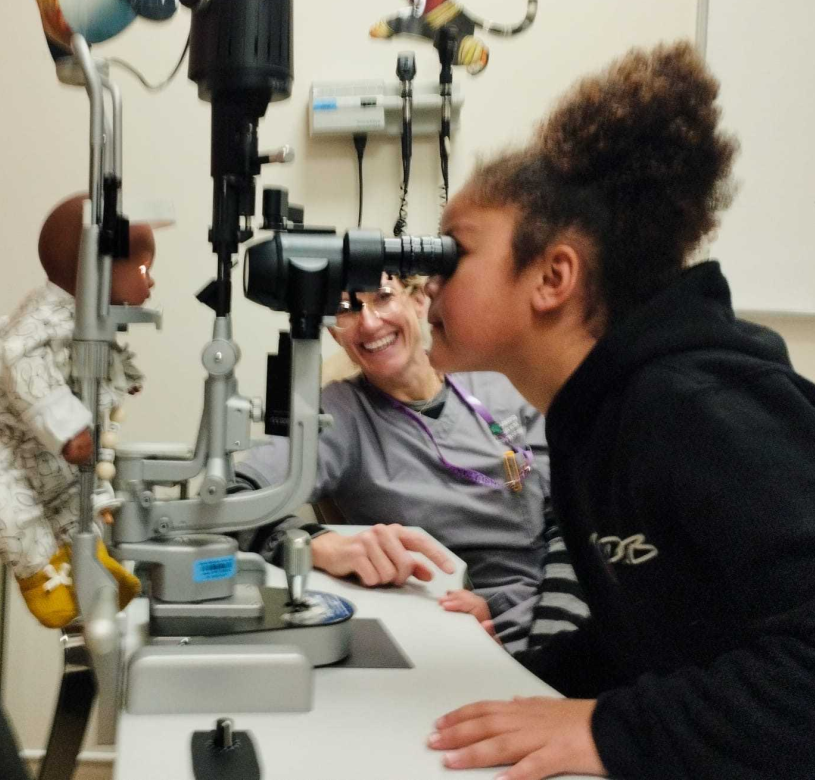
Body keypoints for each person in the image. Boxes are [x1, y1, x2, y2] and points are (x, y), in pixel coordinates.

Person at [422, 42, 815, 779]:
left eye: (452, 254)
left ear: (553, 276)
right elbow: (659, 640)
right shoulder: (594, 421)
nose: (427, 281)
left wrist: (607, 728)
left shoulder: (695, 408)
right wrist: (524, 686)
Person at [236, 273, 587, 651]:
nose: (369, 322)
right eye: (345, 309)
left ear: (418, 300)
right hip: (457, 630)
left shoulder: (497, 378)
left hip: (568, 613)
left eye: (383, 297)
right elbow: (231, 501)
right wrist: (320, 545)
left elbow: (575, 522)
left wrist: (552, 644)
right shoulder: (339, 414)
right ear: (334, 332)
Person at [0, 193, 157, 629]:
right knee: (6, 504)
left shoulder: (86, 319)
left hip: (43, 444)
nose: (150, 281)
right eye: (141, 270)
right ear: (94, 270)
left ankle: (88, 562)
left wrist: (123, 376)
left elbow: (94, 360)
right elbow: (24, 367)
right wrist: (66, 427)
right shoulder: (43, 320)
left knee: (72, 499)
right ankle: (42, 577)